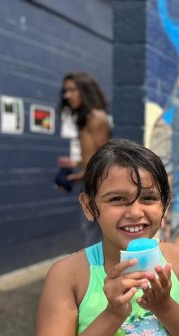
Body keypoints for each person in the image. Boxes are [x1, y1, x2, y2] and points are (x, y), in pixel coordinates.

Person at [33, 139, 179, 336]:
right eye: (117, 199)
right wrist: (112, 315)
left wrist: (165, 307)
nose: (135, 212)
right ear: (89, 207)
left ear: (165, 205)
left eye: (148, 198)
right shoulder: (69, 275)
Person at [56, 71, 112, 245]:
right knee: (91, 236)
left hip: (97, 188)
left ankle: (100, 272)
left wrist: (78, 176)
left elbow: (104, 160)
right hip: (89, 186)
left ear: (85, 90)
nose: (67, 96)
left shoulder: (96, 118)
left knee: (95, 239)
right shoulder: (85, 119)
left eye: (73, 90)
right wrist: (77, 163)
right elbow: (92, 156)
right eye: (66, 91)